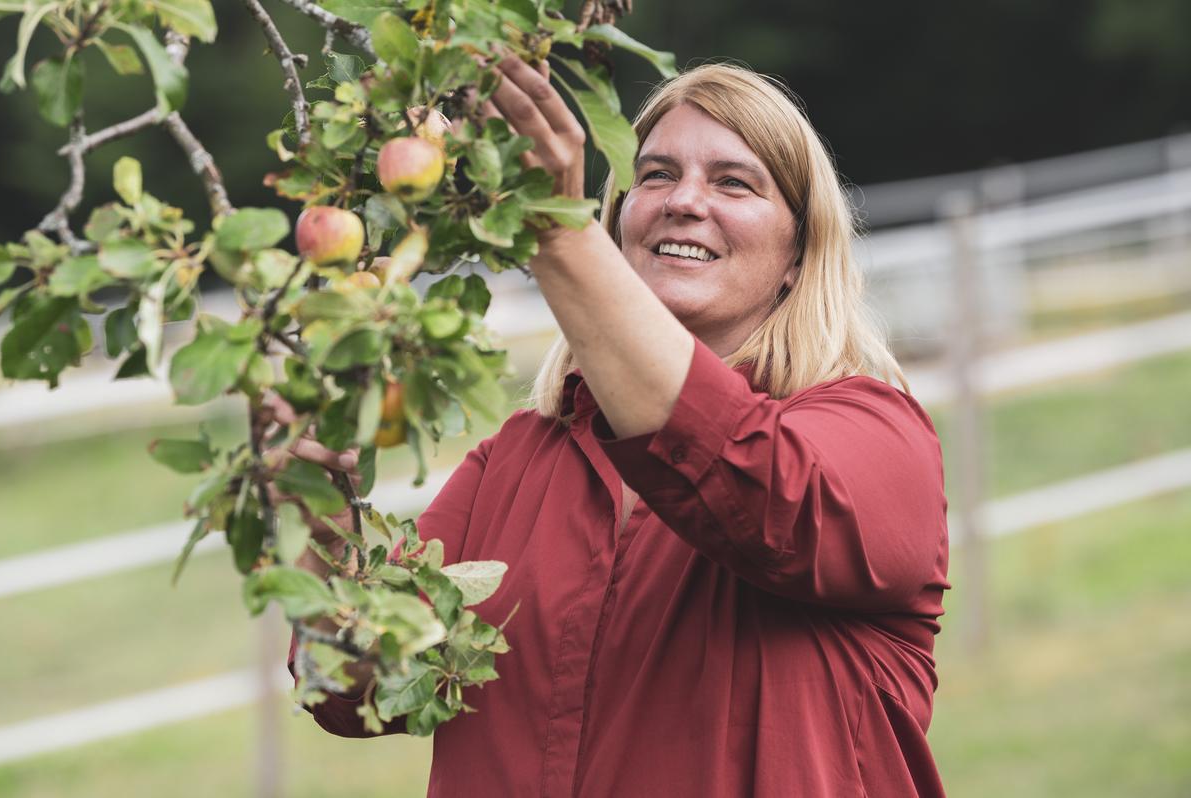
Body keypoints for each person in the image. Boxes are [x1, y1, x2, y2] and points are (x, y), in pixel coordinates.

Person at [281, 57, 951, 797]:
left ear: (798, 253)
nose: (684, 201)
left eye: (733, 182)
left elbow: (755, 488)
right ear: (619, 218)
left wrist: (555, 235)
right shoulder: (512, 463)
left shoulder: (877, 437)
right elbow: (352, 690)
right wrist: (325, 519)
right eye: (656, 175)